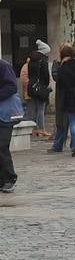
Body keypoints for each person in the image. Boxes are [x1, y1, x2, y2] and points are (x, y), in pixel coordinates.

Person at [0, 56, 19, 193]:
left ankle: (9, 179)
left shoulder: (3, 66)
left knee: (1, 146)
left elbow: (12, 86)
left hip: (4, 114)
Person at [26, 39, 52, 138]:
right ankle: (41, 129)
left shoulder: (31, 60)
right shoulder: (43, 61)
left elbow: (29, 74)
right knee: (41, 109)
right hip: (40, 87)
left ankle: (33, 129)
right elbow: (45, 76)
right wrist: (45, 85)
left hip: (31, 86)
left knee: (32, 109)